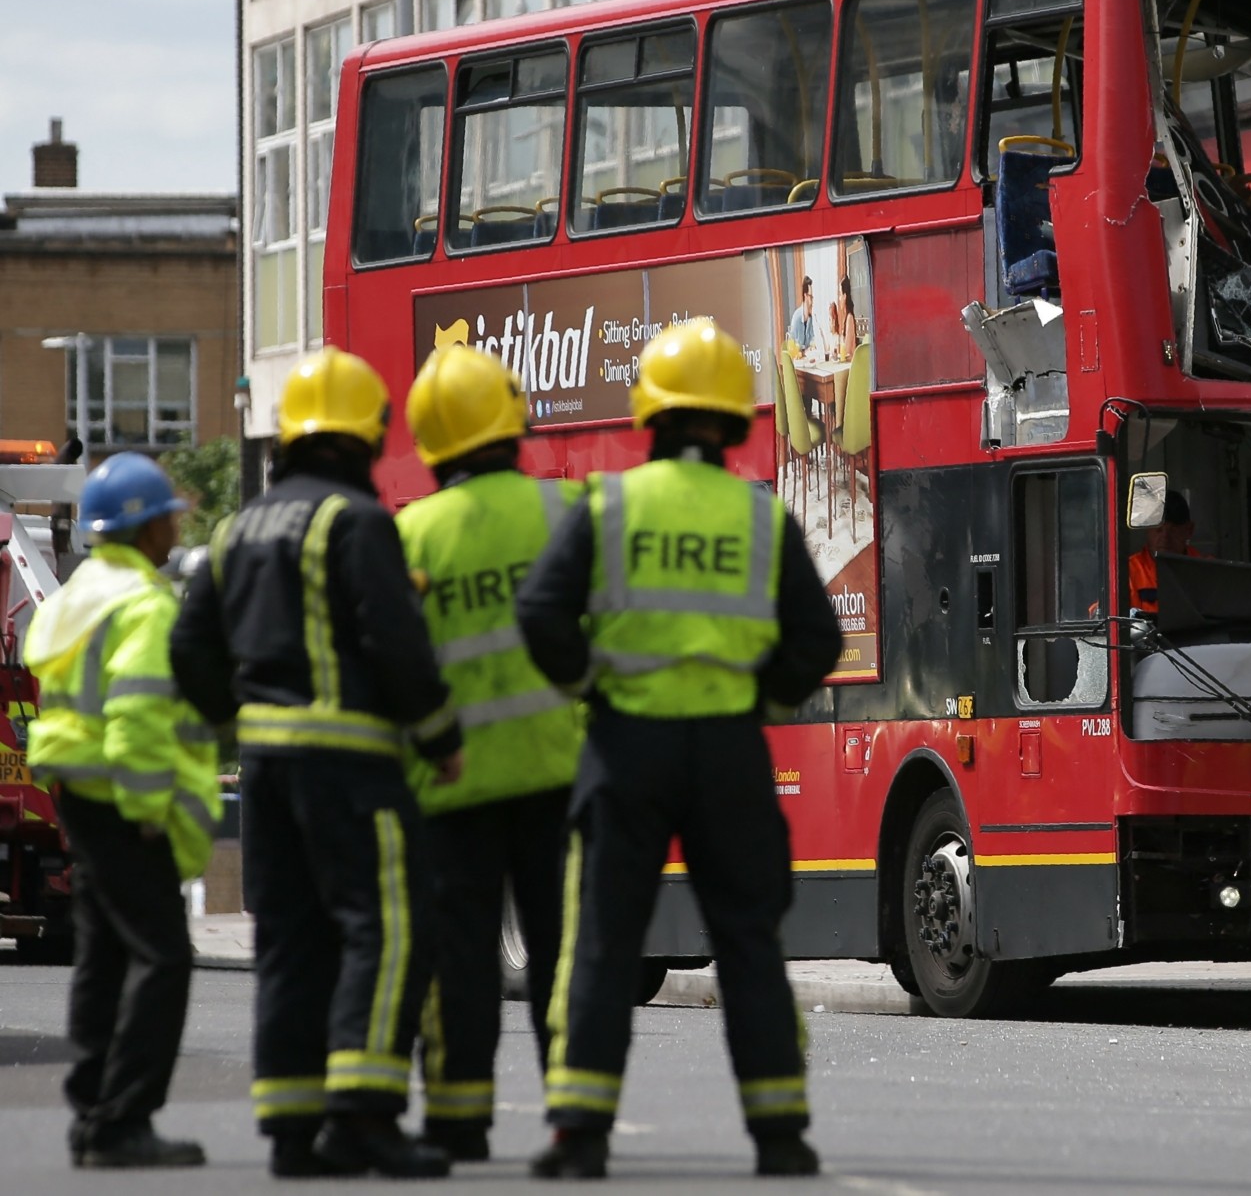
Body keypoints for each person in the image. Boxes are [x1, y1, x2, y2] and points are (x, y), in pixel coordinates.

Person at [515, 319, 841, 1180]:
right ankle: (780, 1133)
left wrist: (592, 681)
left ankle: (579, 1132)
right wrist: (759, 693)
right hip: (729, 751)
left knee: (601, 939)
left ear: (648, 415)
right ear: (733, 421)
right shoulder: (762, 515)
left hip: (626, 747)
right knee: (747, 939)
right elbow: (816, 640)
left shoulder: (611, 505)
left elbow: (540, 613)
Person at [170, 348, 460, 1179]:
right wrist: (440, 737)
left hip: (264, 771)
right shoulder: (357, 523)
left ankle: (293, 1126)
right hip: (353, 768)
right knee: (386, 931)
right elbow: (398, 646)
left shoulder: (236, 528)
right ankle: (363, 1116)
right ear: (366, 435)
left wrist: (236, 714)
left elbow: (191, 651)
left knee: (291, 941)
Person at [395, 344, 585, 1163]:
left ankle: (459, 1118)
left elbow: (397, 664)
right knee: (560, 954)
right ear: (513, 423)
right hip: (557, 773)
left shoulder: (412, 532)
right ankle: (573, 1116)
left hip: (451, 784)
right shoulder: (565, 513)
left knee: (459, 959)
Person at [25, 453, 217, 1169]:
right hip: (120, 799)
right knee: (162, 956)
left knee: (102, 953)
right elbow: (137, 714)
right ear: (144, 527)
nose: (176, 526)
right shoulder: (143, 602)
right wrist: (146, 809)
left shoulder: (79, 593)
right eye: (169, 514)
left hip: (78, 791)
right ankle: (123, 1118)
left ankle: (92, 1108)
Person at [1127, 489, 1202, 614]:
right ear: (1147, 530)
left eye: (1173, 530)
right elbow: (1100, 615)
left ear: (1189, 530)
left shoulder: (1206, 569)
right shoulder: (1127, 573)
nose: (1165, 538)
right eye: (1159, 530)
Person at [827, 278, 857, 363]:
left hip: (850, 368)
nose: (839, 299)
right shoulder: (845, 318)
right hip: (845, 364)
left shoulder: (849, 318)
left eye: (840, 295)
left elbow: (846, 351)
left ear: (844, 296)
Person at [786, 276, 816, 352]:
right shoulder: (797, 318)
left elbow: (812, 339)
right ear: (805, 295)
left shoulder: (810, 318)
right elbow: (792, 345)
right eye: (811, 297)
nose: (812, 301)